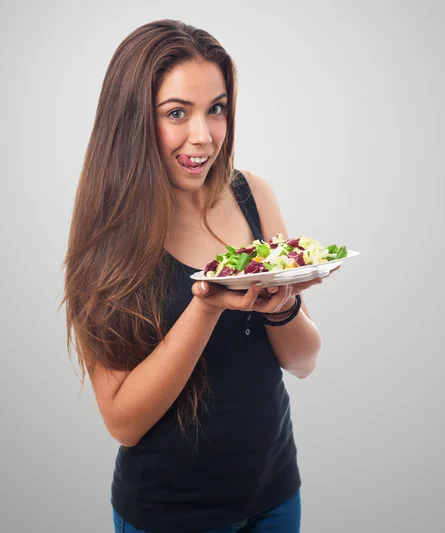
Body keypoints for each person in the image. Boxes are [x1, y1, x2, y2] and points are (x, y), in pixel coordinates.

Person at [62, 19, 339, 533]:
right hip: (172, 516)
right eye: (176, 113)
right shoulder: (107, 239)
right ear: (132, 121)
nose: (203, 136)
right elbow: (123, 422)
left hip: (275, 495)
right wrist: (207, 305)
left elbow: (304, 362)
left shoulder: (251, 194)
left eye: (216, 109)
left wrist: (282, 305)